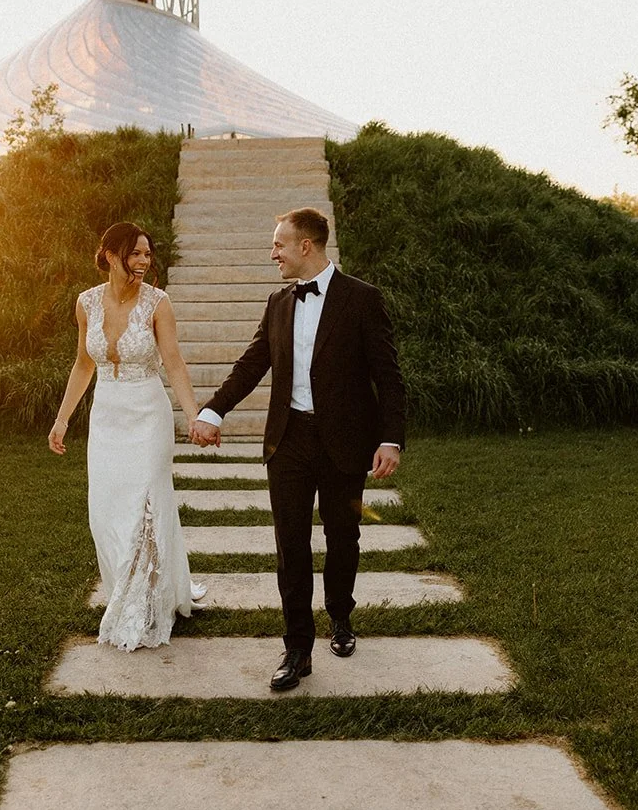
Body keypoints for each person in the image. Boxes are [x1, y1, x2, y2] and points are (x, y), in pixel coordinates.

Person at [189, 208, 406, 691]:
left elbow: (388, 377)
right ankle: (297, 649)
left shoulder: (362, 300)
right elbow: (252, 364)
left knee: (343, 537)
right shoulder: (277, 302)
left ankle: (341, 618)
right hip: (287, 441)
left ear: (305, 245)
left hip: (345, 443)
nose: (273, 254)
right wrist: (213, 410)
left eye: (278, 245)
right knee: (290, 546)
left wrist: (390, 439)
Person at [49, 223, 207, 651]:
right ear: (110, 255)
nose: (143, 262)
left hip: (148, 414)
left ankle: (147, 602)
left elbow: (173, 362)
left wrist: (194, 415)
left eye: (147, 255)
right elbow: (83, 365)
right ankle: (126, 584)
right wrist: (63, 419)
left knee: (147, 506)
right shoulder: (86, 303)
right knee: (107, 509)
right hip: (108, 416)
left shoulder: (159, 303)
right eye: (135, 254)